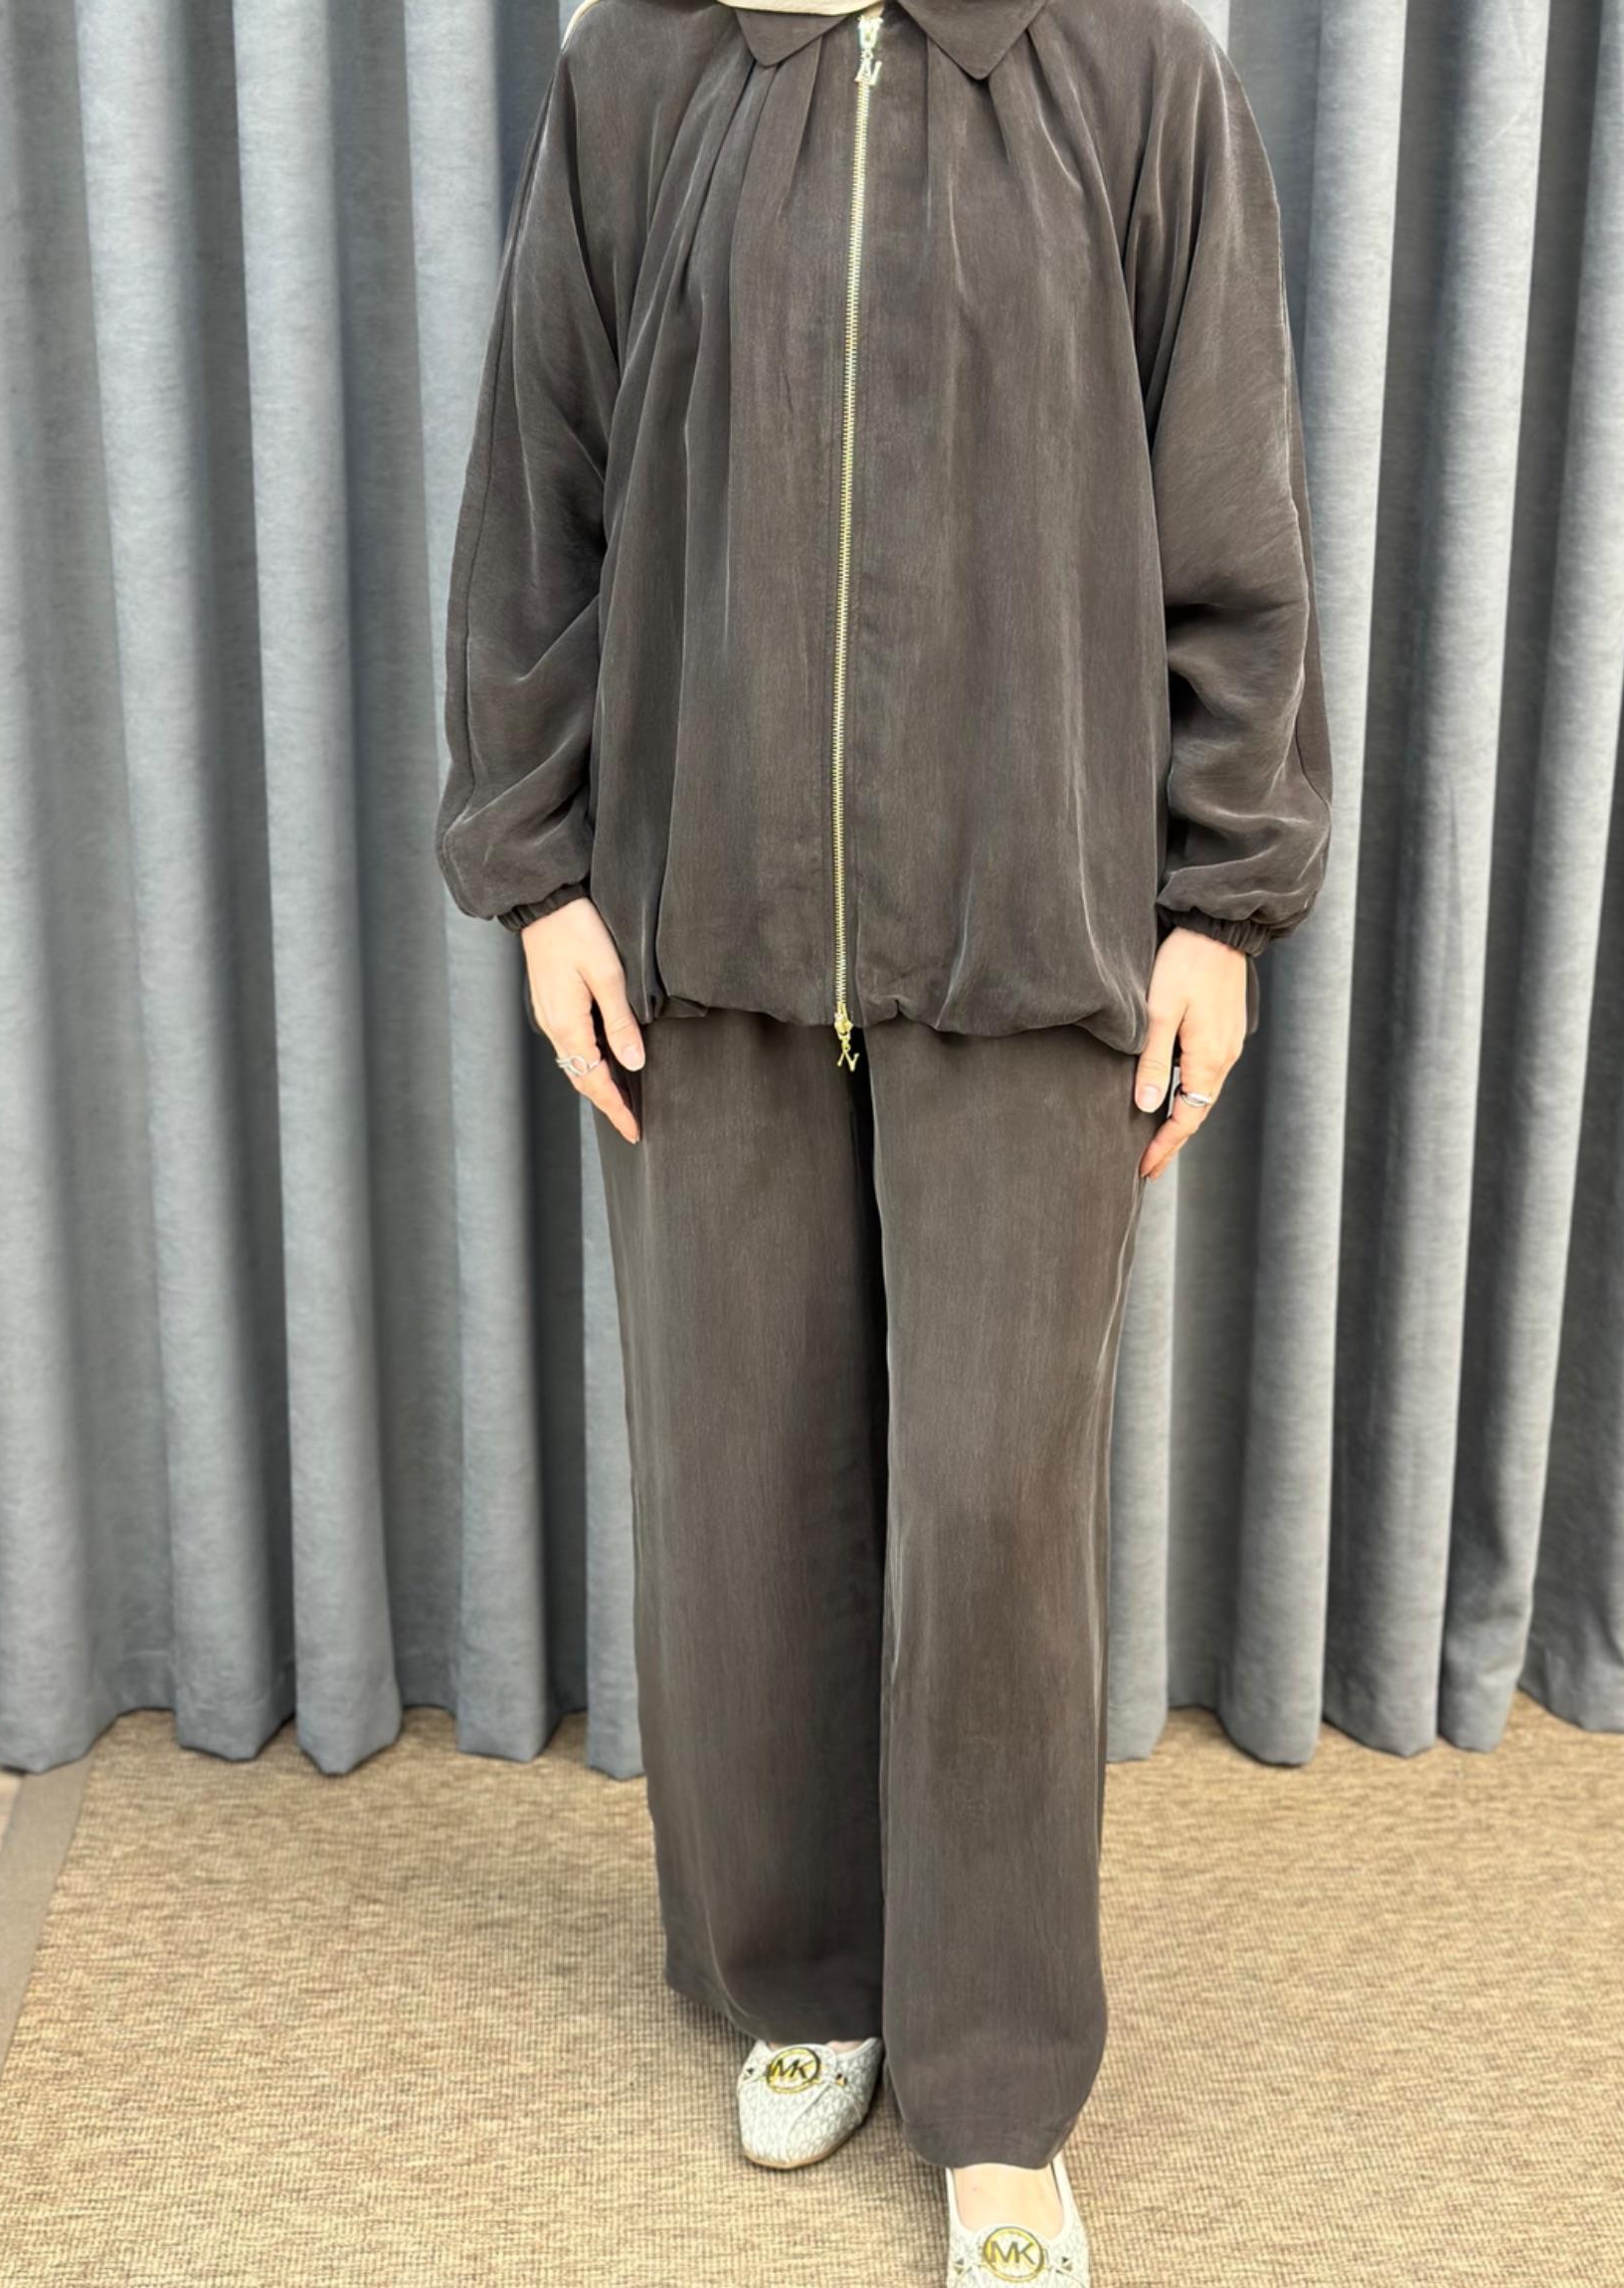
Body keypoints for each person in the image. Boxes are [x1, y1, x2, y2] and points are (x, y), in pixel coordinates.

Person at [435, 0, 1332, 2277]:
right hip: (702, 930)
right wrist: (536, 878)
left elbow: (1231, 514)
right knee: (740, 1483)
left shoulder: (1133, 76)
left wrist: (1221, 904)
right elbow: (540, 492)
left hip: (1034, 935)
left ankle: (999, 2080)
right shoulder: (640, 71)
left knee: (997, 1521)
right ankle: (800, 1975)